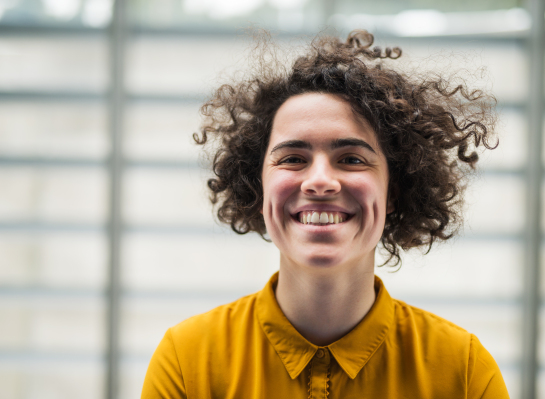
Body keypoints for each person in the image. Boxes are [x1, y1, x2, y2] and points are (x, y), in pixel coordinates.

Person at [141, 30, 509, 398]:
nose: (319, 182)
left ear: (394, 190)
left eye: (351, 159)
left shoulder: (463, 371)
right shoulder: (187, 362)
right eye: (293, 159)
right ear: (258, 186)